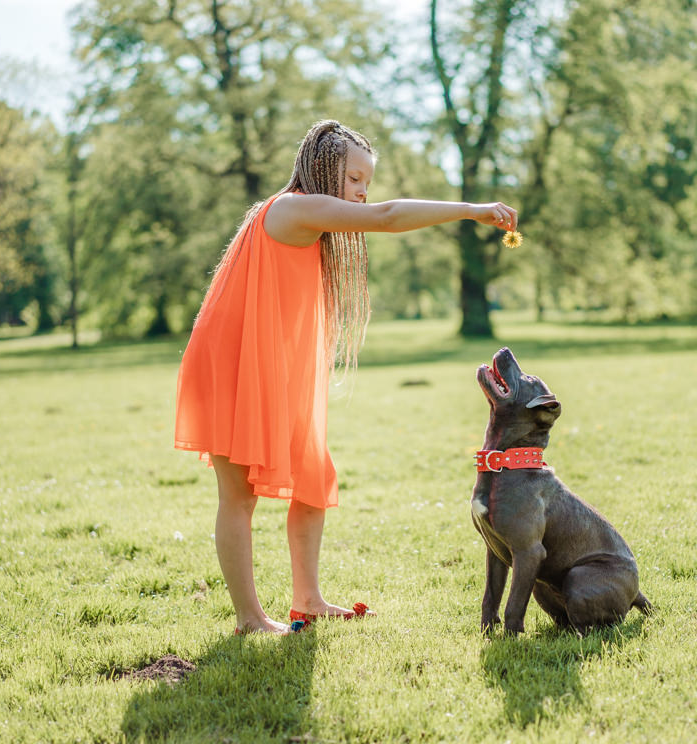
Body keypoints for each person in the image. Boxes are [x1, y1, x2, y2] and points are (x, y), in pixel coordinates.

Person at [174, 119, 518, 634]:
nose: (361, 194)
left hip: (272, 369)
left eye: (366, 183)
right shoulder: (295, 207)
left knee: (313, 476)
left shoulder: (311, 219)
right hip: (232, 366)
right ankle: (250, 619)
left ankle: (307, 599)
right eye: (354, 179)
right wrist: (470, 210)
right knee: (240, 495)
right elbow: (389, 215)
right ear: (323, 168)